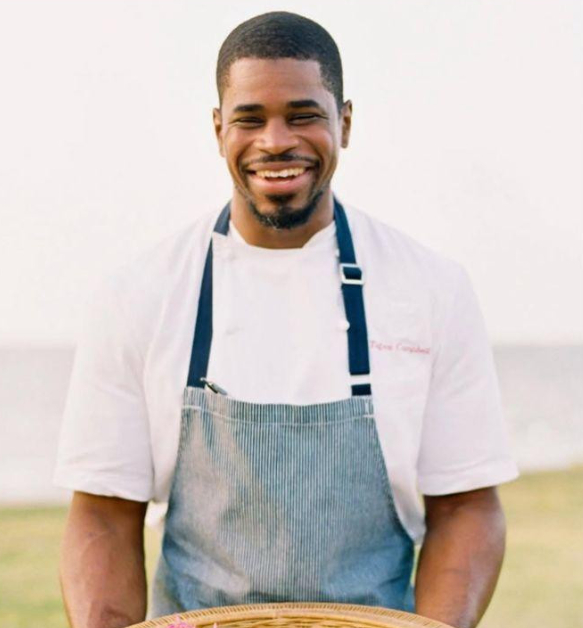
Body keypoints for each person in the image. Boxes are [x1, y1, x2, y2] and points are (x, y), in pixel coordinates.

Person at [55, 12, 517, 628]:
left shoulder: (430, 288)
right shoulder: (138, 293)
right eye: (250, 118)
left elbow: (465, 507)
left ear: (344, 123)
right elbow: (105, 514)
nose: (276, 141)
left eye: (303, 115)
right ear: (218, 129)